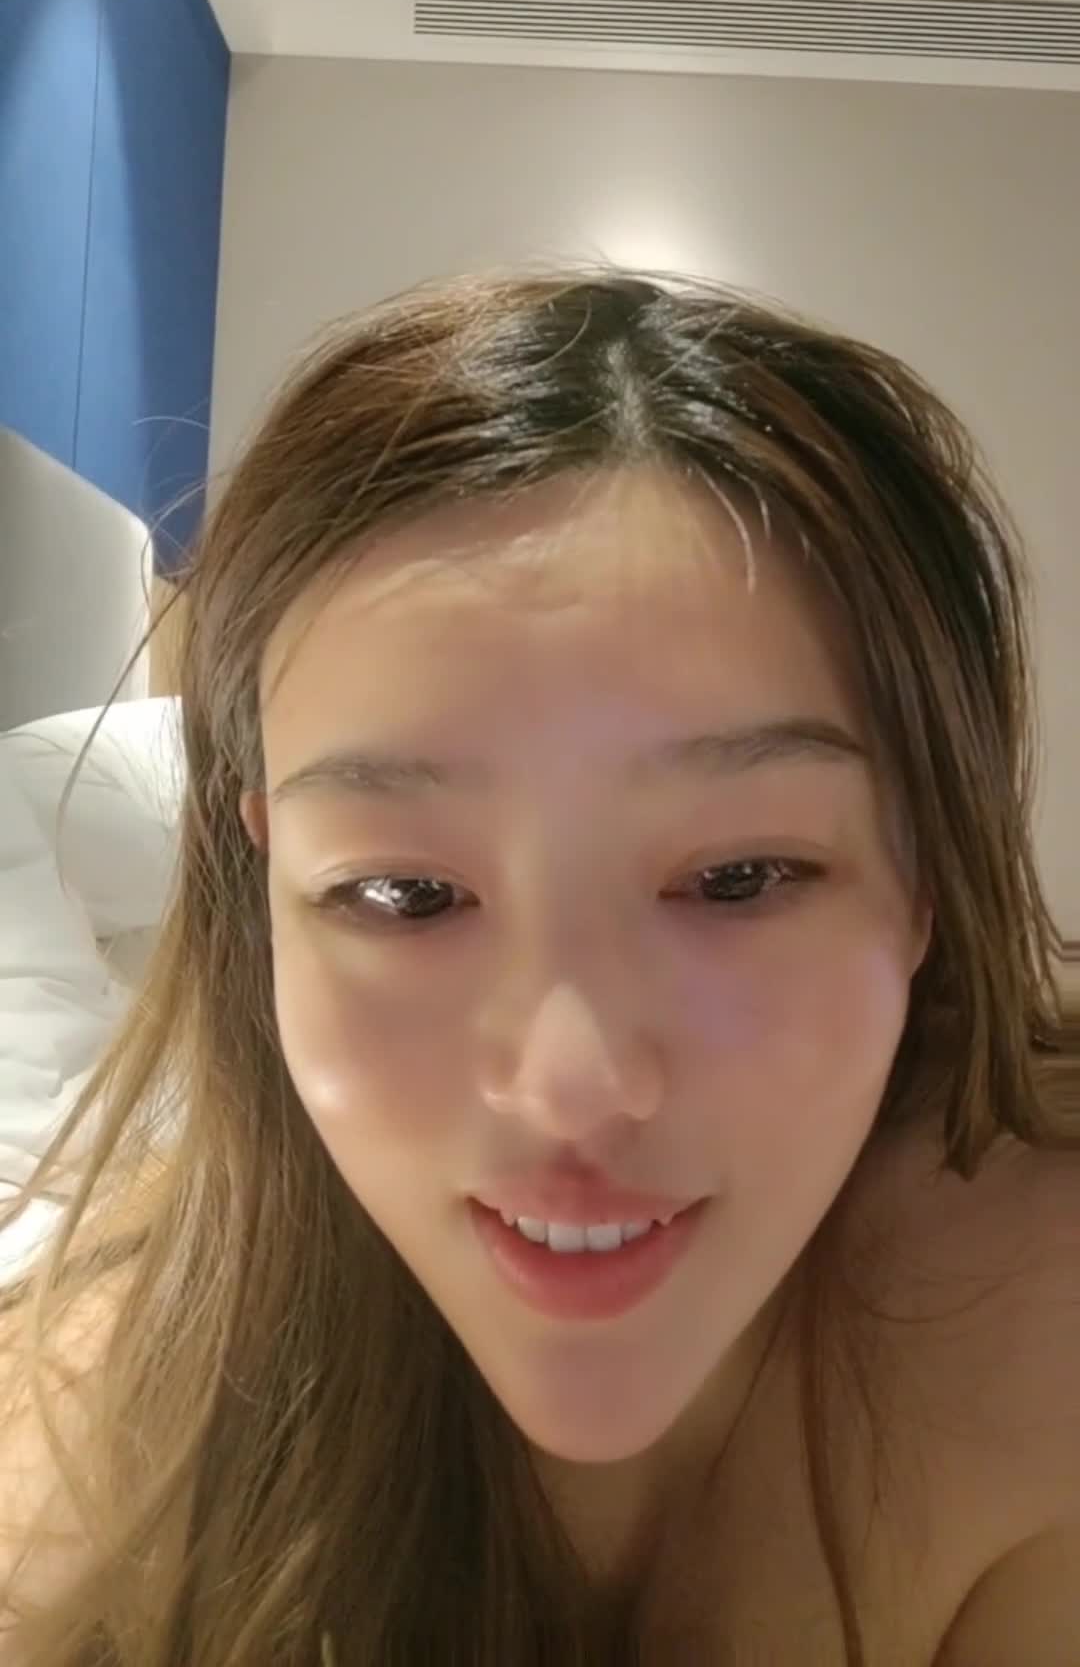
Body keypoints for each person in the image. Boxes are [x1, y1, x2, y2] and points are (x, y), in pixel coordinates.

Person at [1, 264, 1077, 1667]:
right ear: (266, 895)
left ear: (924, 876)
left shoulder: (1040, 1327)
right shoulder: (83, 1460)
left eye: (739, 879)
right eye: (405, 893)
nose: (570, 1086)